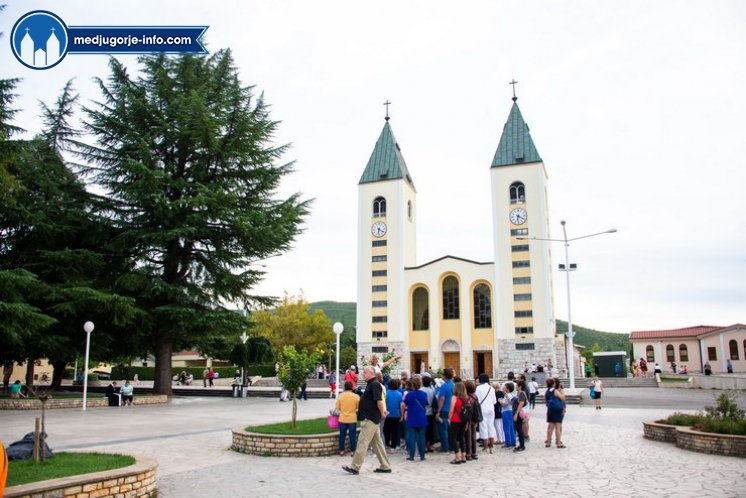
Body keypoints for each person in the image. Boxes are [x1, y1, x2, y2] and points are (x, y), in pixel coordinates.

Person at [343, 366, 392, 475]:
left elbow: (379, 401)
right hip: (372, 417)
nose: (363, 374)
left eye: (365, 372)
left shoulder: (374, 384)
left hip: (370, 418)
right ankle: (385, 466)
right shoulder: (371, 384)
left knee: (362, 441)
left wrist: (383, 411)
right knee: (377, 444)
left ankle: (355, 467)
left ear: (371, 373)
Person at [402, 376, 428, 461]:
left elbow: (404, 404)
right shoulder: (424, 394)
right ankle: (422, 455)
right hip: (421, 416)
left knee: (412, 436)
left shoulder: (409, 395)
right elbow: (426, 404)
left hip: (412, 416)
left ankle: (412, 455)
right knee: (422, 436)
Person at [336, 381, 360, 456]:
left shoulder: (340, 396)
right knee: (352, 435)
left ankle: (341, 450)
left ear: (344, 387)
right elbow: (358, 408)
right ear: (352, 387)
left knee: (342, 435)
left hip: (342, 418)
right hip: (352, 418)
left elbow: (337, 407)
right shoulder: (356, 396)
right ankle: (352, 451)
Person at [476, 374, 497, 453]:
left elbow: (476, 399)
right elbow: (494, 401)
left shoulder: (479, 388)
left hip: (482, 409)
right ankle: (491, 445)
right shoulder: (492, 388)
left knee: (483, 426)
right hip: (491, 409)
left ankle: (485, 446)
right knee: (491, 426)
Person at [448, 381, 468, 464]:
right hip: (464, 420)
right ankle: (464, 455)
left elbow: (451, 410)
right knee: (462, 437)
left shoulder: (454, 398)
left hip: (455, 419)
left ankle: (457, 456)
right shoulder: (465, 398)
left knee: (453, 438)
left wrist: (449, 419)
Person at [435, 368, 455, 453]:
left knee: (443, 429)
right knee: (451, 430)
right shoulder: (454, 385)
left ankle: (445, 447)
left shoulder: (444, 386)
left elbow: (442, 398)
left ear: (444, 376)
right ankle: (452, 446)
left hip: (445, 410)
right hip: (453, 409)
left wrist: (438, 410)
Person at [544, 377, 566, 448]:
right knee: (558, 427)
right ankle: (558, 443)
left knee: (550, 426)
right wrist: (562, 391)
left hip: (550, 410)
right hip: (557, 410)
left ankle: (548, 441)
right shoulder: (555, 391)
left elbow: (546, 401)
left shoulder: (547, 391)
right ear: (553, 384)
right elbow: (563, 398)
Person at [420, 375, 436, 452]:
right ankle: (429, 445)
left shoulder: (420, 390)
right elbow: (434, 402)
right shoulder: (431, 391)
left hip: (422, 412)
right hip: (430, 412)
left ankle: (424, 446)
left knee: (424, 430)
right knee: (430, 430)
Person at [463, 380, 479, 461]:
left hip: (469, 418)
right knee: (473, 435)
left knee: (467, 436)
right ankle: (474, 452)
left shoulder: (467, 397)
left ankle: (468, 454)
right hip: (475, 417)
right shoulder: (475, 396)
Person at [512, 380, 528, 452]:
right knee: (518, 429)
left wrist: (516, 413)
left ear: (520, 386)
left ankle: (522, 445)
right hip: (517, 413)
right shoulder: (519, 393)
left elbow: (521, 403)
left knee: (519, 429)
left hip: (518, 414)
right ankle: (520, 444)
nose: (516, 387)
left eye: (517, 385)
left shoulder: (521, 393)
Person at [499, 382, 516, 448]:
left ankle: (508, 442)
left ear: (508, 388)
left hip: (506, 412)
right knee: (511, 427)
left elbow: (504, 404)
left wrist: (499, 401)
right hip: (511, 411)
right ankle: (513, 441)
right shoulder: (513, 394)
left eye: (505, 387)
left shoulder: (507, 395)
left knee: (506, 428)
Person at [492, 382, 505, 447]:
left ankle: (499, 439)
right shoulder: (501, 393)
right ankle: (503, 438)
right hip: (501, 410)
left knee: (497, 426)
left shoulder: (495, 394)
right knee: (501, 426)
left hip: (496, 411)